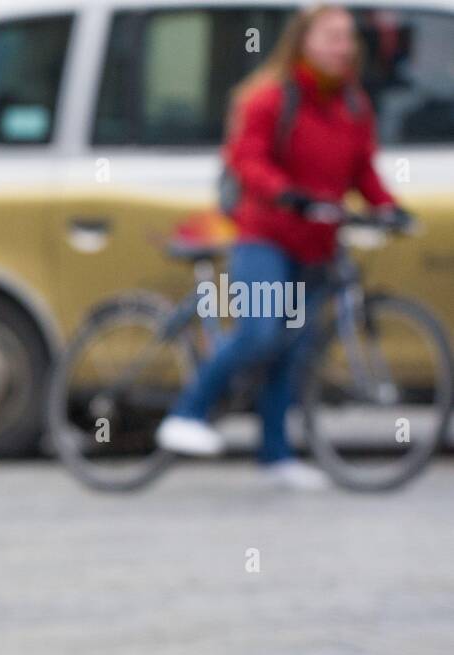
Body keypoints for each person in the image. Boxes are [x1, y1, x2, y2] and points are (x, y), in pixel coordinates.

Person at [155, 4, 408, 490]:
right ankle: (184, 415)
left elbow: (363, 172)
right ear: (304, 40)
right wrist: (285, 193)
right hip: (265, 237)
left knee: (294, 350)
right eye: (333, 36)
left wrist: (389, 206)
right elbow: (246, 159)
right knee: (260, 333)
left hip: (317, 246)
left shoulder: (353, 103)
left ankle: (276, 455)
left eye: (348, 37)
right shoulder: (271, 96)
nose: (344, 45)